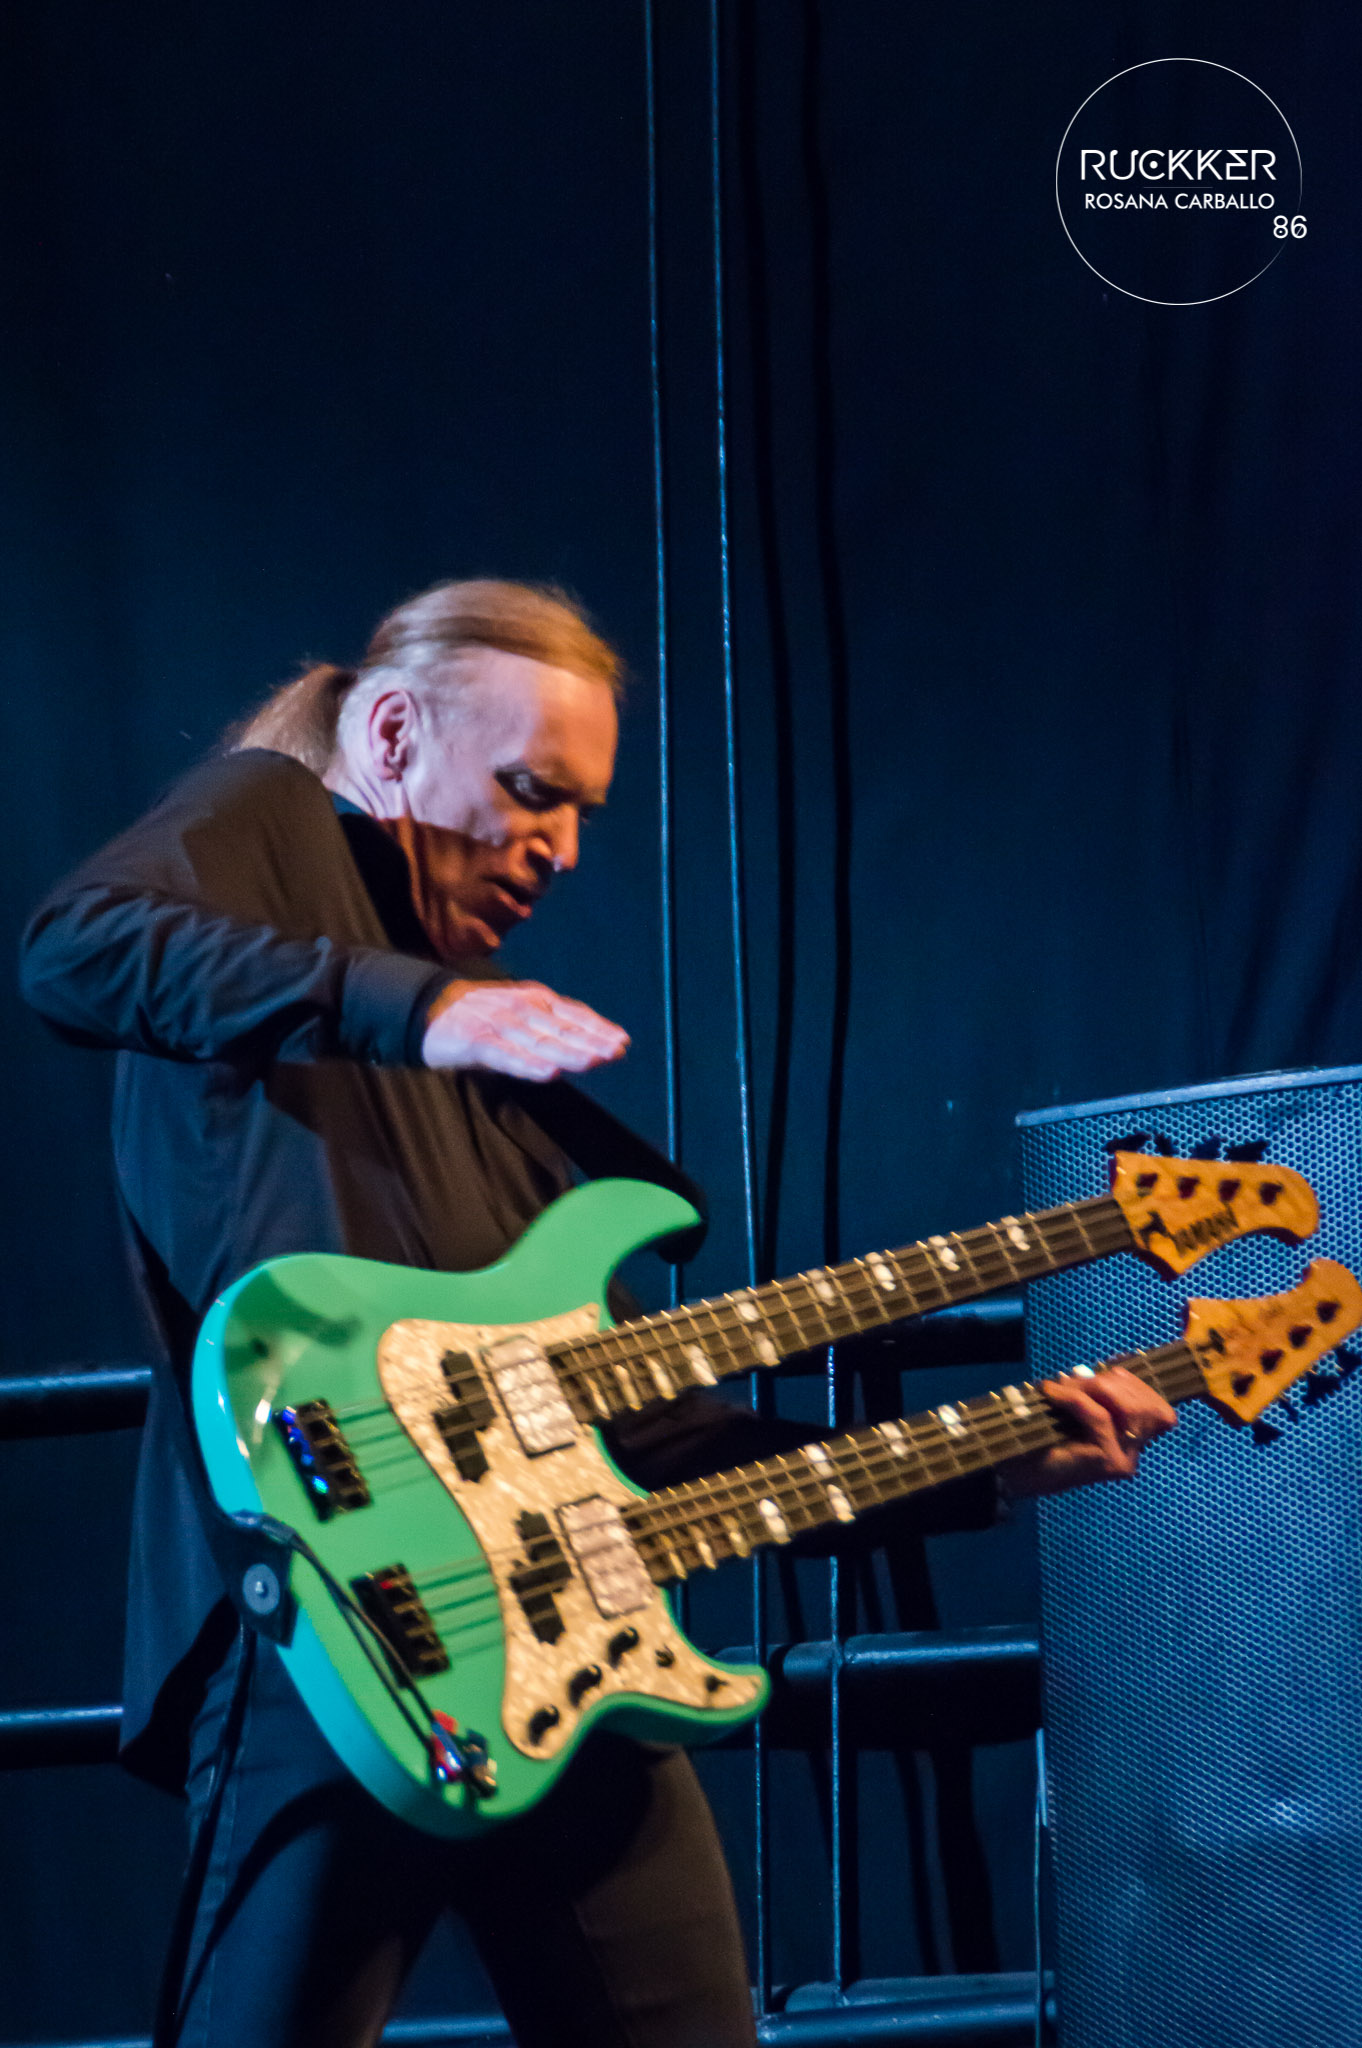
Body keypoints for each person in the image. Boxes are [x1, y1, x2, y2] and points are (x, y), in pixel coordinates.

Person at [20, 579, 1174, 2048]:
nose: (560, 850)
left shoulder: (503, 1094)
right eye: (530, 792)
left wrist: (984, 1463)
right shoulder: (276, 832)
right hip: (328, 1629)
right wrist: (420, 1009)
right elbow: (74, 945)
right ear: (391, 735)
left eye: (580, 814)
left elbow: (662, 1438)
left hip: (569, 1653)